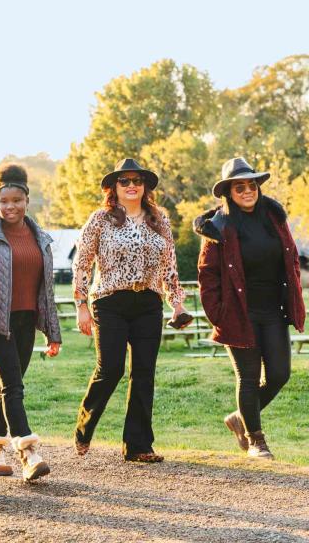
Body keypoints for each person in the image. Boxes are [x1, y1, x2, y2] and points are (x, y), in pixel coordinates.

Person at [72, 158, 187, 463]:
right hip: (110, 300)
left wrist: (177, 304)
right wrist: (81, 304)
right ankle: (85, 426)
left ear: (145, 186)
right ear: (114, 187)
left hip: (148, 302)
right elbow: (82, 264)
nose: (132, 186)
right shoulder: (100, 219)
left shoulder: (159, 220)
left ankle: (137, 445)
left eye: (137, 181)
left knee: (144, 373)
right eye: (125, 181)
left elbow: (170, 266)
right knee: (111, 369)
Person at [194, 157, 305, 460]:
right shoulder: (218, 226)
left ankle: (239, 418)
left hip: (272, 310)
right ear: (229, 191)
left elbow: (292, 257)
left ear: (257, 187)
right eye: (239, 186)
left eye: (251, 185)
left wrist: (293, 294)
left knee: (280, 374)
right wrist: (218, 314)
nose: (246, 191)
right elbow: (207, 275)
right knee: (249, 377)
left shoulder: (273, 217)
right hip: (238, 313)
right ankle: (256, 440)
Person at [0, 163, 61, 481]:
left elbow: (46, 290)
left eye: (16, 201)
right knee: (13, 386)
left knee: (9, 387)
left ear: (26, 200)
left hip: (26, 323)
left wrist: (53, 331)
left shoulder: (41, 238)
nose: (10, 207)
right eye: (3, 202)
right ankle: (28, 451)